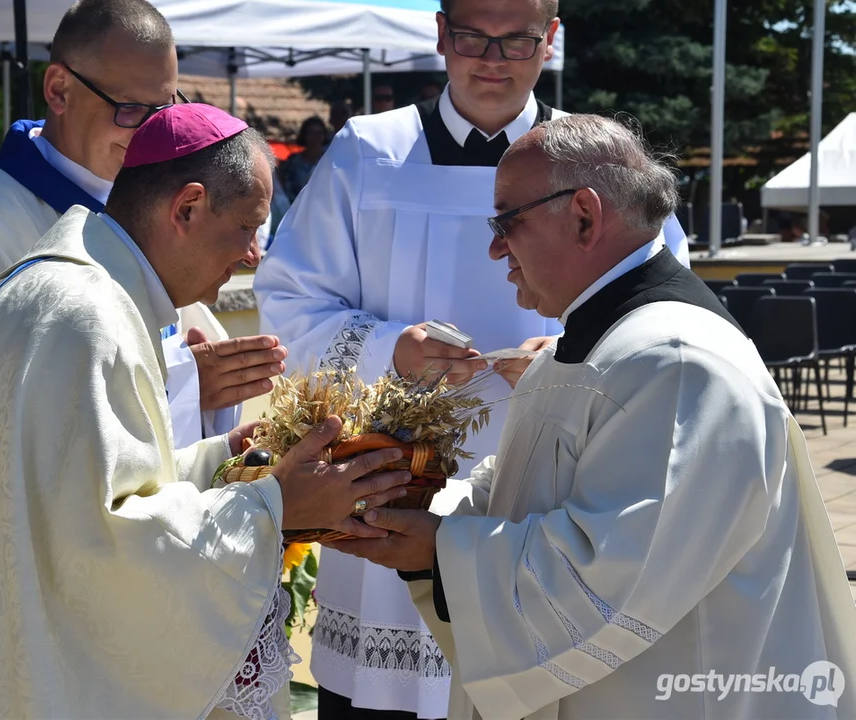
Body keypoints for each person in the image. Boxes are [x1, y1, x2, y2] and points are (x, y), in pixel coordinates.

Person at [0, 103, 414, 720]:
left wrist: (228, 461)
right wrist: (276, 504)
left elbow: (74, 502)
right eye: (248, 227)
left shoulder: (78, 289)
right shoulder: (90, 318)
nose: (253, 255)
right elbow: (109, 553)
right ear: (186, 208)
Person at [0, 2, 286, 716]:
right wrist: (189, 386)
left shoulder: (137, 219)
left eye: (164, 108)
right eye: (131, 110)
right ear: (59, 90)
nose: (151, 131)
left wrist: (211, 412)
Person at [330, 114, 856, 720]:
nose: (496, 247)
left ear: (584, 215)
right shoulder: (596, 345)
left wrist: (439, 551)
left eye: (507, 222)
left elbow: (608, 577)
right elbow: (526, 495)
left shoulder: (678, 364)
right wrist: (414, 500)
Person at [253, 0, 690, 717]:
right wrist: (392, 347)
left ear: (549, 40)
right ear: (438, 35)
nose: (492, 57)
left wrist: (564, 351)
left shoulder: (599, 160)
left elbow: (655, 298)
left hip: (541, 472)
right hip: (388, 468)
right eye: (470, 36)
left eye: (516, 38)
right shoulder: (369, 150)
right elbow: (288, 299)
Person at [281, 115, 328, 201]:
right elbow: (287, 188)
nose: (315, 137)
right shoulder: (293, 162)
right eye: (311, 133)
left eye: (319, 133)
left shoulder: (329, 160)